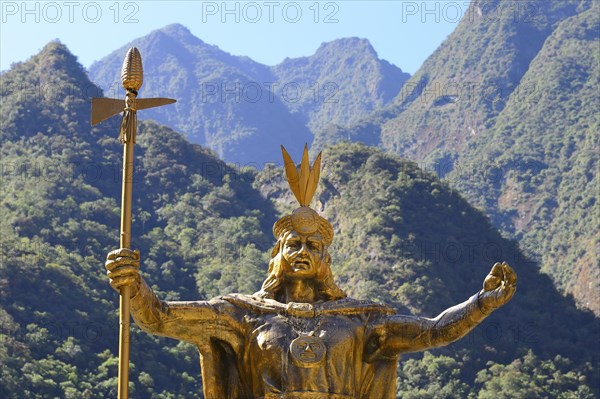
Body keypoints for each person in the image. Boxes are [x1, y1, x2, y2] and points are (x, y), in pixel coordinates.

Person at [105, 146, 516, 399]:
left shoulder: (361, 320)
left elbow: (434, 330)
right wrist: (134, 284)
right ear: (277, 254)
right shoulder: (241, 315)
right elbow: (159, 317)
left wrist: (481, 304)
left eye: (313, 246)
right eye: (293, 245)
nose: (303, 252)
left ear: (326, 258)